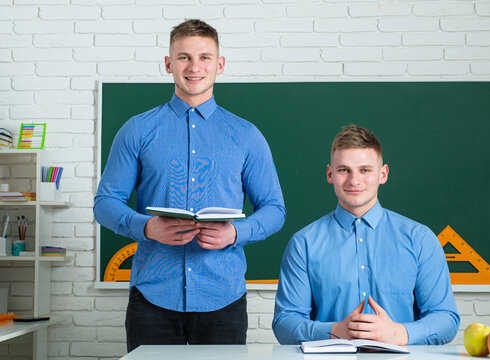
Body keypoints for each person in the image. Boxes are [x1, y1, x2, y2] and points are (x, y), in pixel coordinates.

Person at [94, 19, 285, 351]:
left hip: (223, 298)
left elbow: (274, 209)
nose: (194, 66)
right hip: (151, 297)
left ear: (219, 64)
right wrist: (148, 227)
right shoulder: (136, 131)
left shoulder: (246, 136)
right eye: (183, 57)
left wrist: (235, 234)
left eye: (205, 57)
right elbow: (105, 203)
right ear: (168, 64)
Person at [272, 125, 458, 346]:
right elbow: (285, 322)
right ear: (330, 174)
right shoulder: (303, 244)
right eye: (344, 170)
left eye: (365, 170)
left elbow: (445, 318)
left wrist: (399, 334)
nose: (354, 180)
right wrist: (334, 331)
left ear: (383, 174)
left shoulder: (420, 239)